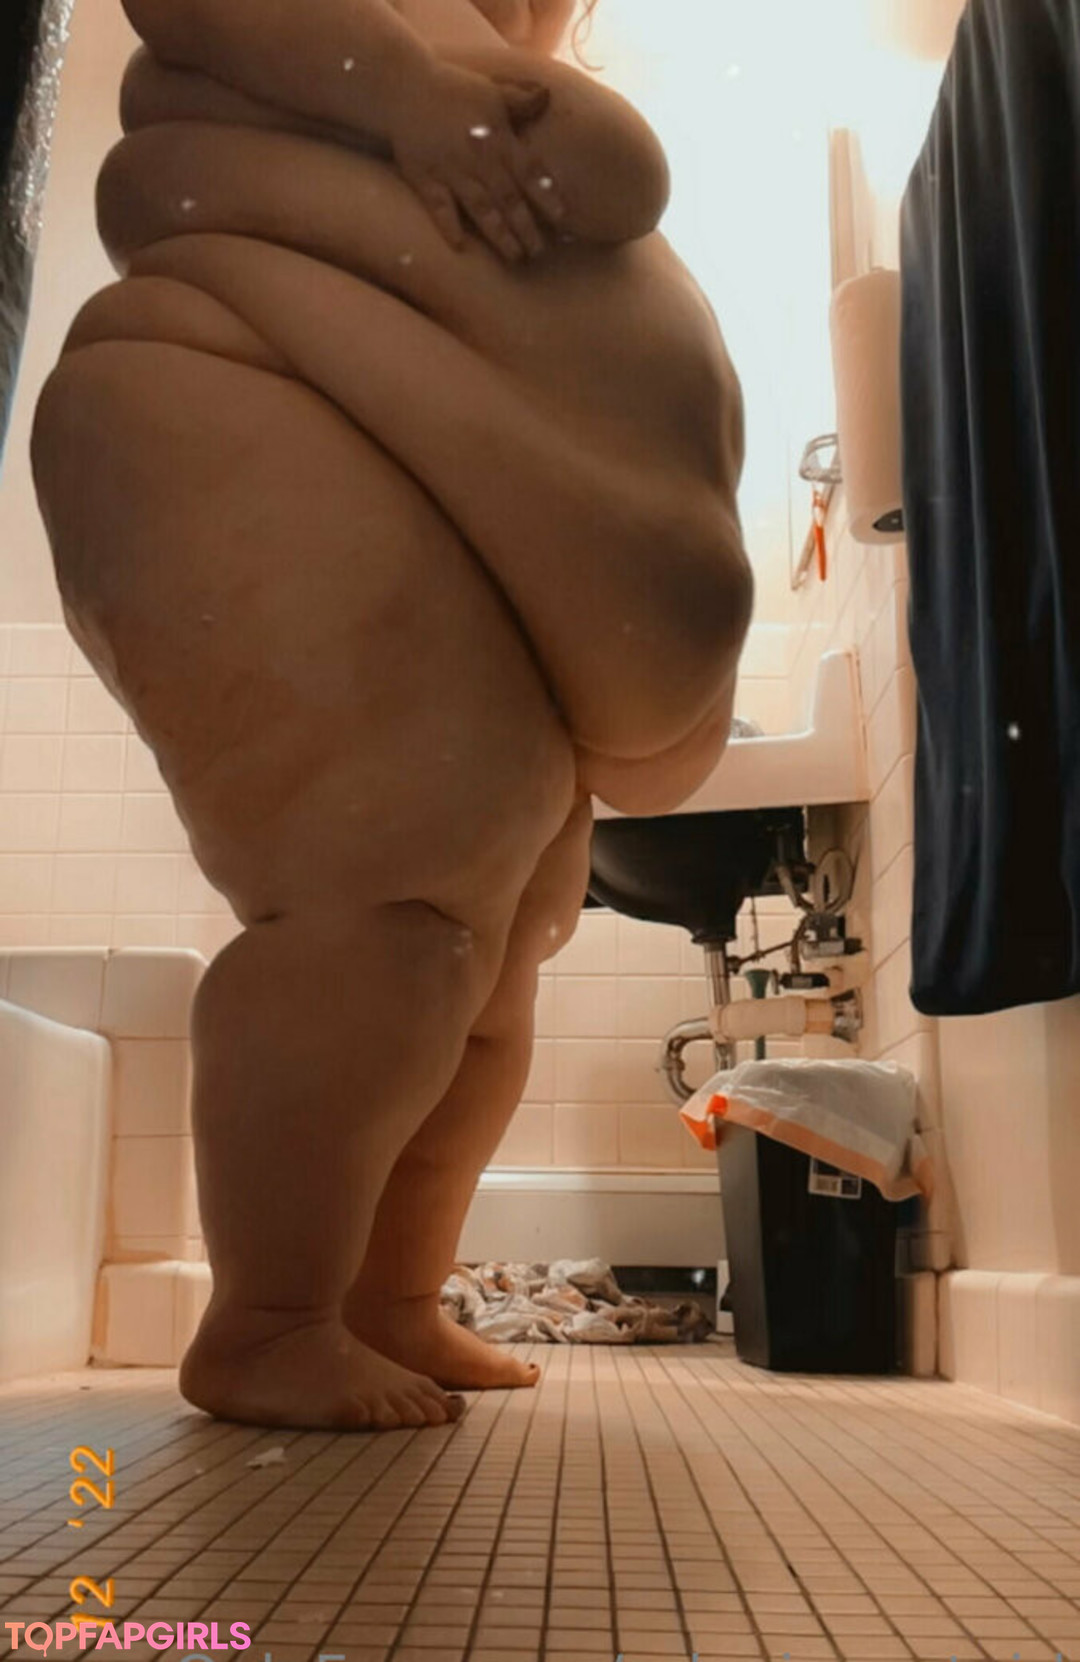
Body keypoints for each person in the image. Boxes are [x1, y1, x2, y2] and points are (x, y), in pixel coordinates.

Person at [29, 0, 752, 1431]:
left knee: (499, 955)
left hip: (399, 442)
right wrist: (410, 89)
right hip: (243, 376)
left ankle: (391, 1298)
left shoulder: (476, 60)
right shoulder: (360, 53)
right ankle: (268, 1322)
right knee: (391, 885)